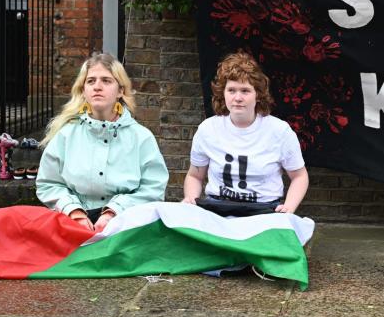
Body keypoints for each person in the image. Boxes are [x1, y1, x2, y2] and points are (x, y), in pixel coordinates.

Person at [36, 53, 169, 231]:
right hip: (72, 224)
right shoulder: (65, 135)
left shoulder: (141, 137)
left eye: (106, 81)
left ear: (120, 90)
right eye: (91, 81)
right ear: (83, 90)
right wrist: (74, 212)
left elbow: (153, 187)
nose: (97, 86)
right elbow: (48, 183)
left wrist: (114, 212)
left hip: (127, 224)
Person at [182, 50, 309, 215]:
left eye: (245, 90)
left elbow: (299, 176)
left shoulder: (280, 131)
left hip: (263, 210)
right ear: (223, 93)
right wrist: (191, 198)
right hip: (217, 208)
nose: (238, 97)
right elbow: (195, 176)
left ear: (258, 95)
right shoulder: (207, 130)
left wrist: (289, 207)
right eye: (231, 90)